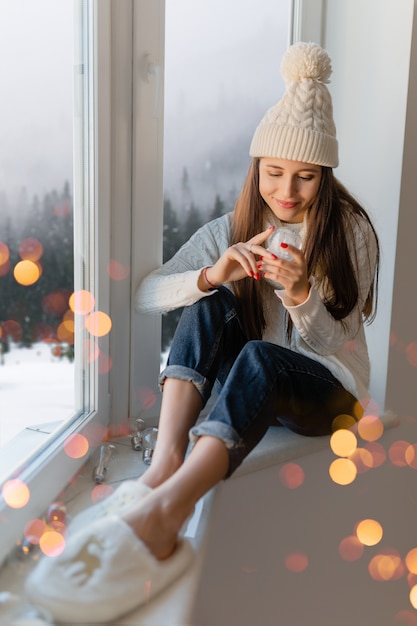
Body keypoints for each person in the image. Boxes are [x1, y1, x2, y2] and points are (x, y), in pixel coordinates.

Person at [26, 42, 379, 622]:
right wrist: (214, 274)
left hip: (333, 392)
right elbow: (147, 295)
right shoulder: (234, 228)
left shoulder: (350, 233)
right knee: (210, 301)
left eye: (306, 178)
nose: (286, 193)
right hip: (256, 379)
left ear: (326, 176)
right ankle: (163, 465)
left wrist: (298, 295)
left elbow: (331, 344)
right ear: (256, 167)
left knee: (265, 357)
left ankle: (169, 513)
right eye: (274, 173)